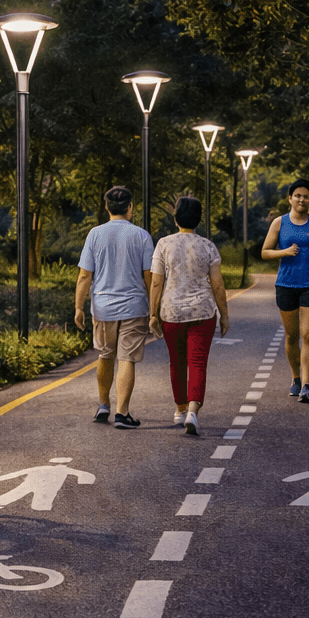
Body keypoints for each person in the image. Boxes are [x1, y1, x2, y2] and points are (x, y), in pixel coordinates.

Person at [148, 195, 229, 436]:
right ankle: (193, 411)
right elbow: (218, 285)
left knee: (177, 362)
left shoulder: (164, 244)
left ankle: (180, 409)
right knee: (197, 363)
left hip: (171, 313)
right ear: (198, 219)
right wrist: (224, 315)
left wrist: (153, 314)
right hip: (203, 312)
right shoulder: (207, 246)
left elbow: (156, 283)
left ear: (175, 219)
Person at [74, 185, 154, 428]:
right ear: (130, 208)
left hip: (103, 307)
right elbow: (149, 276)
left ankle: (103, 404)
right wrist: (155, 307)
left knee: (105, 354)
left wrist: (78, 307)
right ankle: (122, 413)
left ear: (106, 207)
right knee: (127, 358)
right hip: (134, 307)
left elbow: (84, 276)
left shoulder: (94, 234)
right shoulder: (142, 236)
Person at [261, 179, 309, 403]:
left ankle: (307, 386)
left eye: (306, 196)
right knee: (292, 335)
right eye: (298, 196)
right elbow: (265, 252)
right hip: (286, 284)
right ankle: (296, 377)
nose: (302, 199)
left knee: (308, 334)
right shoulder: (279, 223)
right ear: (290, 198)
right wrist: (284, 252)